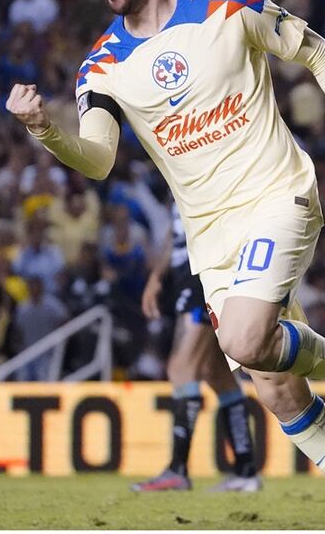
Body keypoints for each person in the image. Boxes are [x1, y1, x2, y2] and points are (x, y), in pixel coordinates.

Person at [7, 0, 325, 530]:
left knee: (240, 339)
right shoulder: (101, 67)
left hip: (276, 195)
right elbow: (97, 160)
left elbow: (315, 52)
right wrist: (46, 129)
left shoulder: (228, 8)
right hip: (210, 240)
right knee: (278, 390)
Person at [131, 202, 261, 493]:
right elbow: (175, 231)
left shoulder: (205, 163)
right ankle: (246, 470)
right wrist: (156, 277)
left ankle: (178, 470)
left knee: (181, 367)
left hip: (202, 271)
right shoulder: (179, 171)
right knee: (215, 372)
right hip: (186, 272)